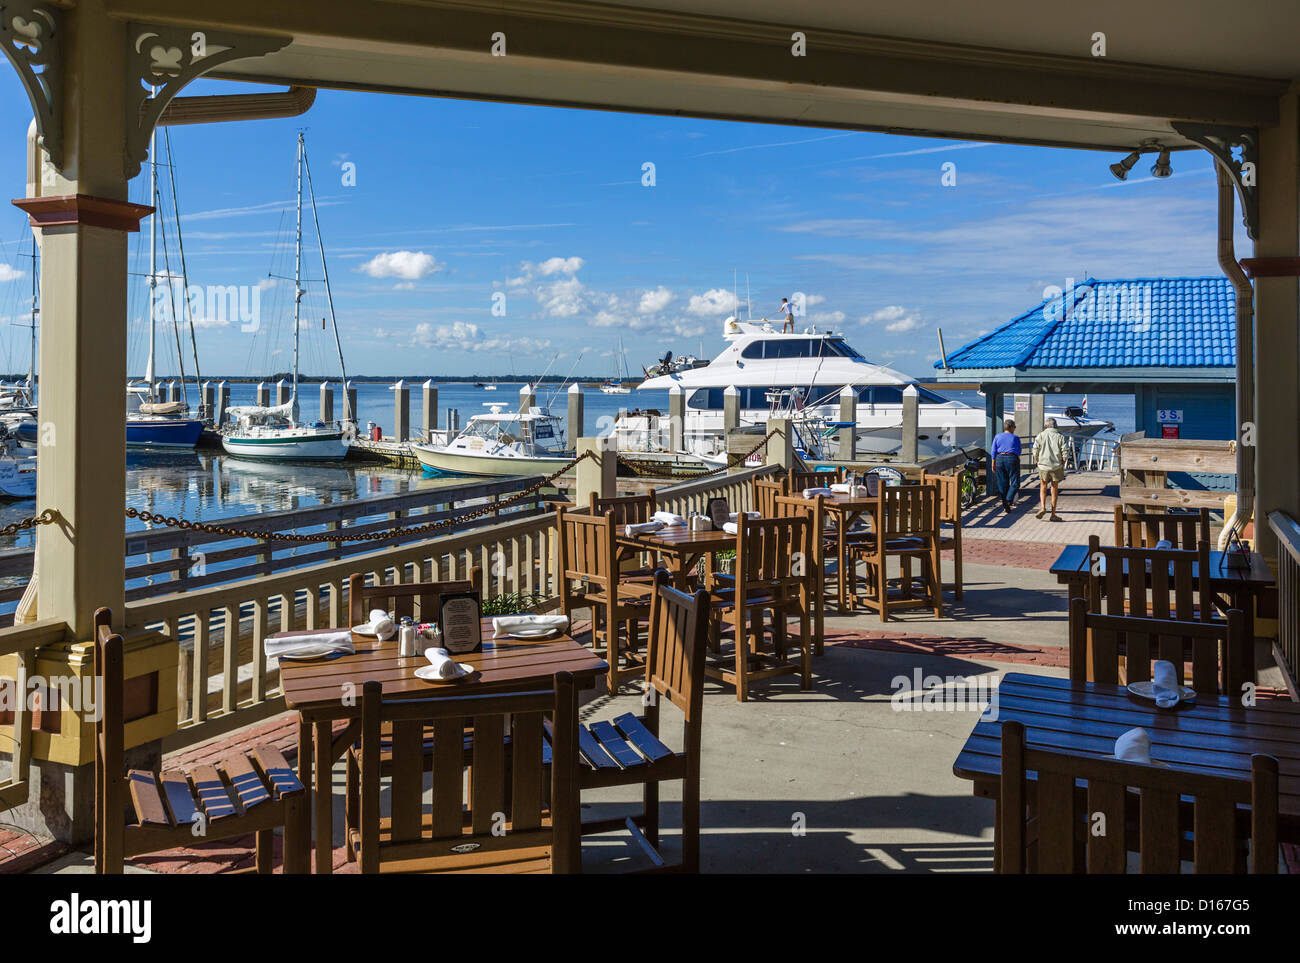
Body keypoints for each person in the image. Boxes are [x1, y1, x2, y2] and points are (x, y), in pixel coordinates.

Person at [1033, 417, 1069, 520]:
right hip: (1056, 466)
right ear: (1056, 425)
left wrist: (1037, 461)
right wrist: (1063, 462)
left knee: (1043, 486)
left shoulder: (1040, 435)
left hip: (1043, 465)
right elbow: (1065, 452)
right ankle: (1053, 514)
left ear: (1046, 426)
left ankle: (1043, 507)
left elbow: (1035, 450)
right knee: (1054, 488)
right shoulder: (1060, 437)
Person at [991, 418, 1022, 513]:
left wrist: (993, 463)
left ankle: (1005, 504)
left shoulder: (997, 436)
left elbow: (993, 450)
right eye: (1015, 427)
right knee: (1015, 483)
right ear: (1012, 427)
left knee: (1002, 483)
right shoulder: (1015, 437)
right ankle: (1008, 500)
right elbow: (1019, 450)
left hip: (999, 459)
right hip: (1012, 458)